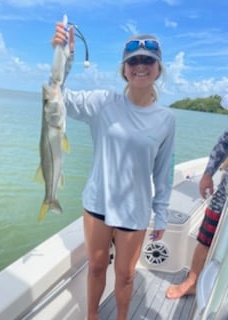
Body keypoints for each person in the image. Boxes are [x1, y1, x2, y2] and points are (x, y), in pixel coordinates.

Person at [52, 22, 175, 320]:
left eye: (149, 60)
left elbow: (164, 171)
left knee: (126, 275)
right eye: (134, 60)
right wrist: (61, 57)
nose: (141, 65)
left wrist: (161, 212)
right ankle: (92, 315)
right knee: (95, 267)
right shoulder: (103, 103)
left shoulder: (166, 119)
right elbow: (57, 97)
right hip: (98, 204)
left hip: (135, 210)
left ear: (158, 69)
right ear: (124, 69)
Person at [166, 129, 228, 300]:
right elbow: (224, 143)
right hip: (225, 194)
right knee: (206, 237)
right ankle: (192, 282)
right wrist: (207, 174)